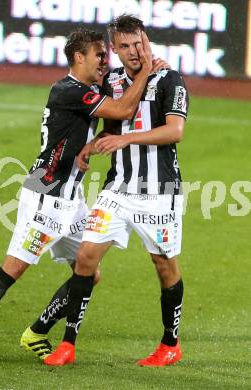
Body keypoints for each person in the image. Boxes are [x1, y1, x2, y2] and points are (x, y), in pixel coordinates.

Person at [0, 28, 155, 363]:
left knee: (89, 272)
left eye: (106, 53)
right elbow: (122, 111)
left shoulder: (88, 88)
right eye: (99, 54)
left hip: (71, 198)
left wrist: (92, 141)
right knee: (15, 266)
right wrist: (147, 70)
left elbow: (114, 113)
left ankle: (37, 332)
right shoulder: (67, 89)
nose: (105, 60)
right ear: (78, 57)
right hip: (46, 191)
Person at [44, 15, 189, 367]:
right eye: (124, 46)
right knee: (86, 257)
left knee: (163, 264)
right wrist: (89, 146)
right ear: (115, 49)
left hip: (159, 189)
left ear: (146, 40)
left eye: (138, 43)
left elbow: (175, 132)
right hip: (118, 188)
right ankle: (67, 344)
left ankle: (170, 344)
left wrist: (126, 138)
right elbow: (108, 123)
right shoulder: (109, 80)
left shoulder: (170, 79)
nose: (133, 51)